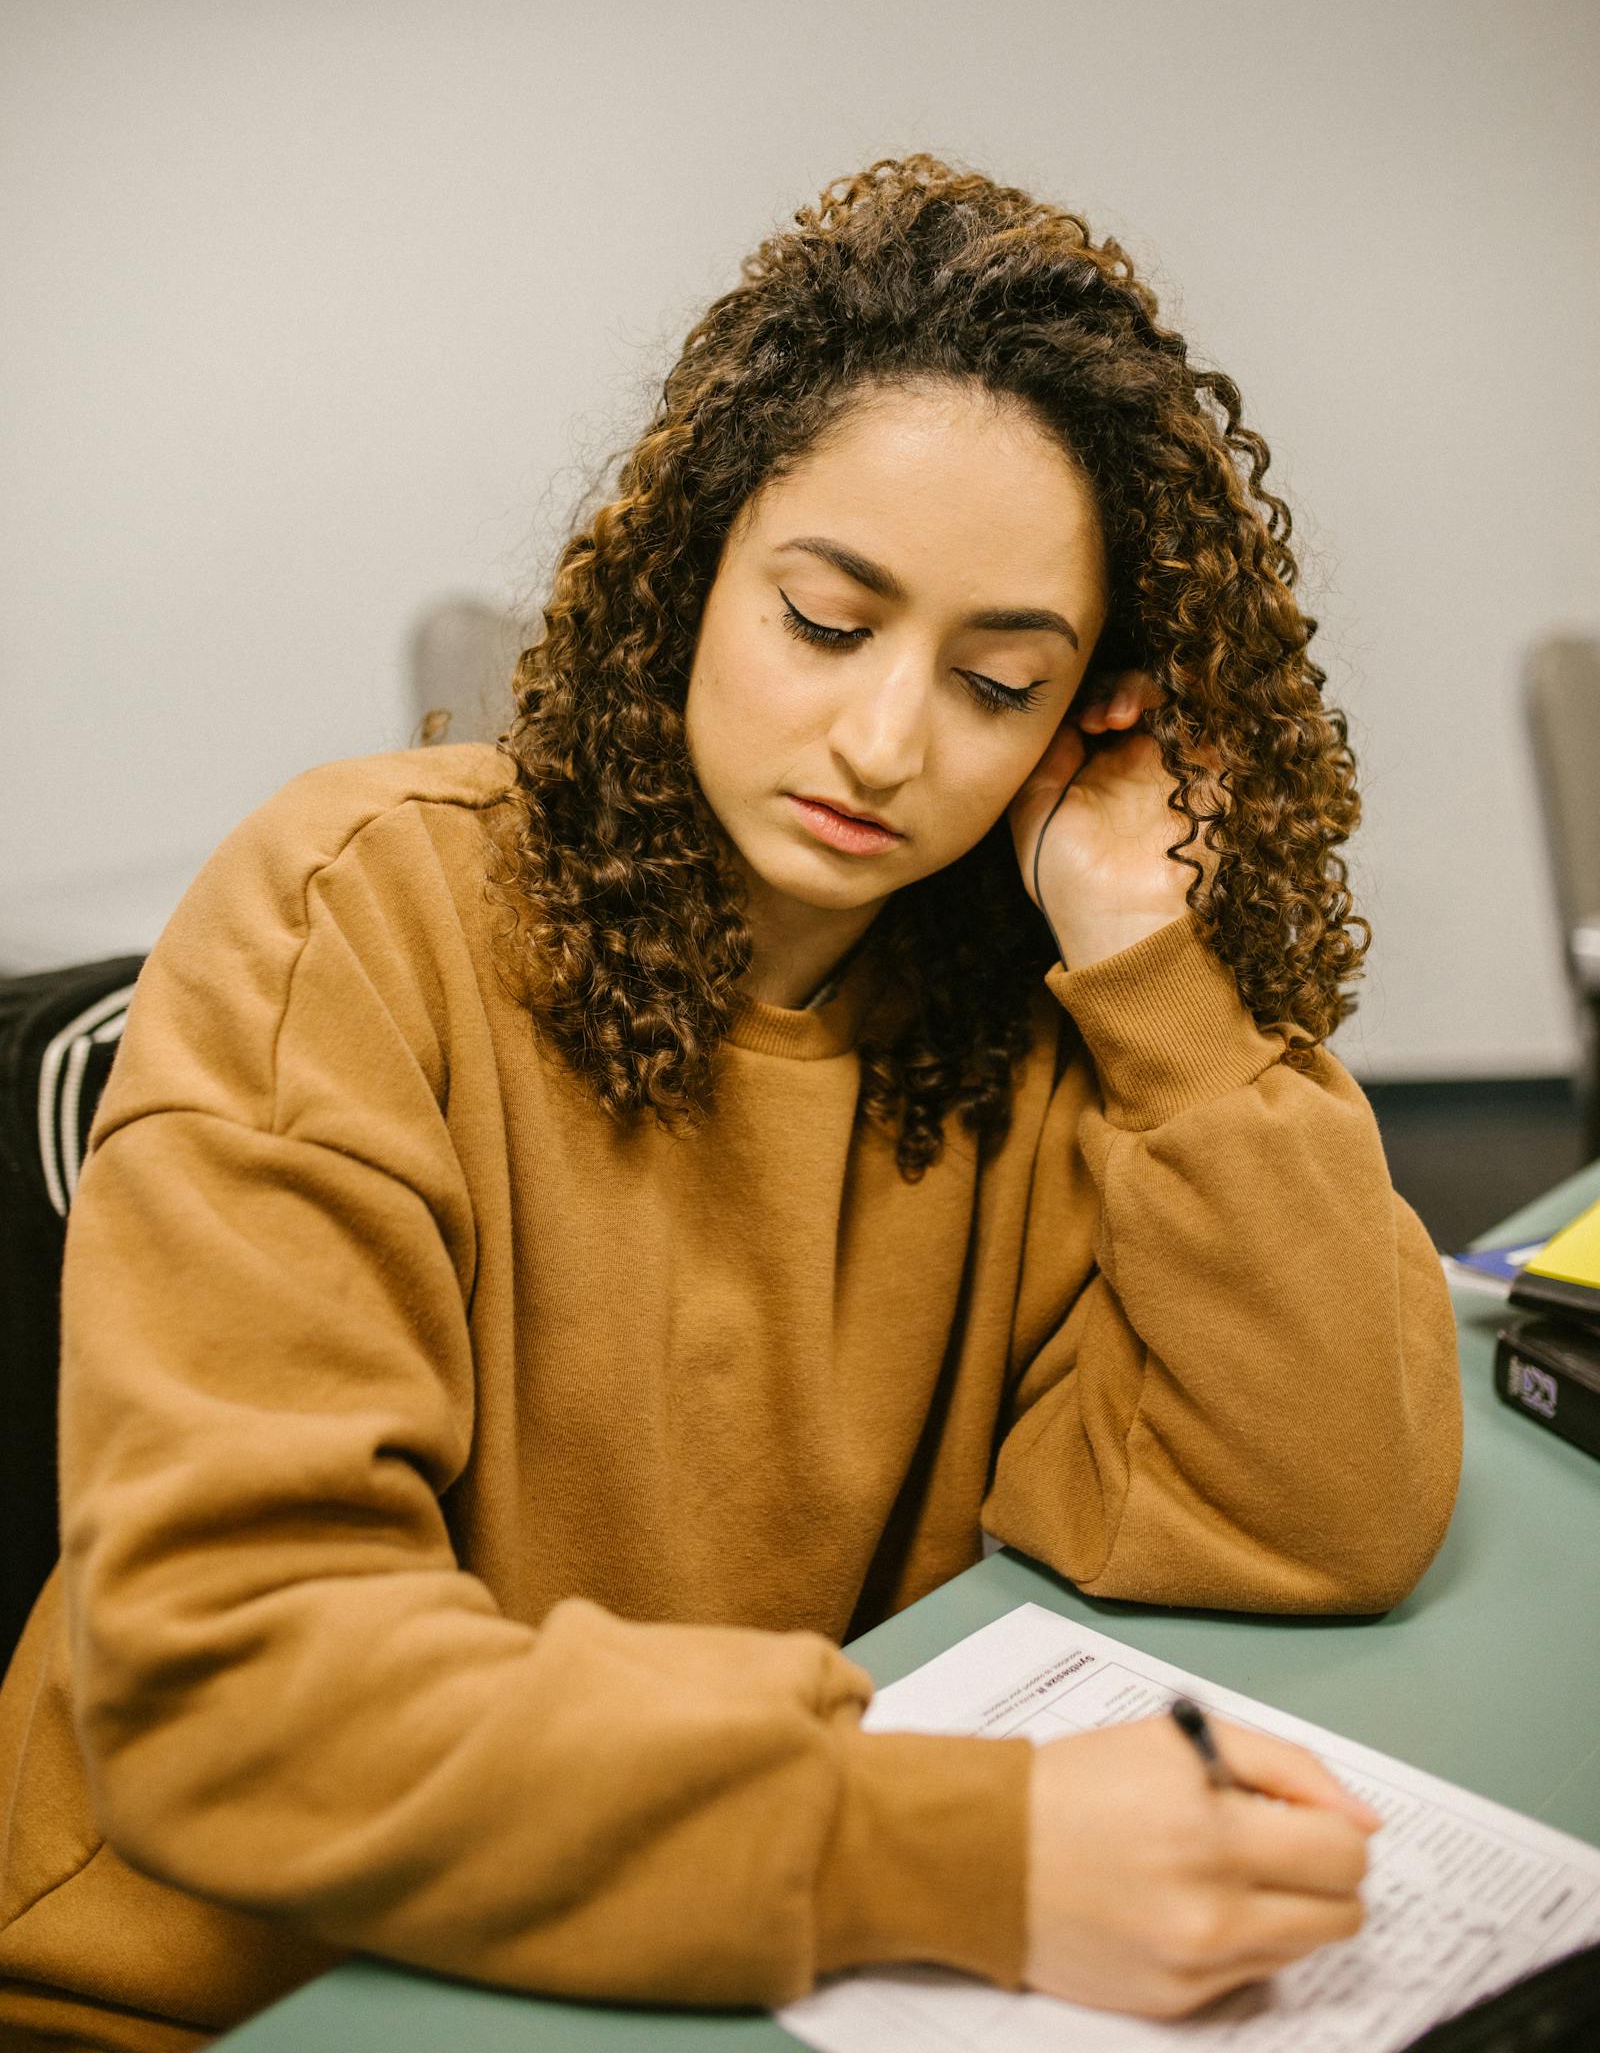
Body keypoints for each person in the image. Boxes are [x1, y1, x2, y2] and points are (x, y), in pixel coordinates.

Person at [0, 155, 1462, 2051]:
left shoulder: (1023, 1013)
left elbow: (1334, 1504)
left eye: (1001, 683)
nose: (886, 744)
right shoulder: (355, 911)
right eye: (828, 625)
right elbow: (235, 1694)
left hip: (711, 1962)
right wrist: (964, 1856)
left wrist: (1156, 970)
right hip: (246, 1993)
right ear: (695, 559)